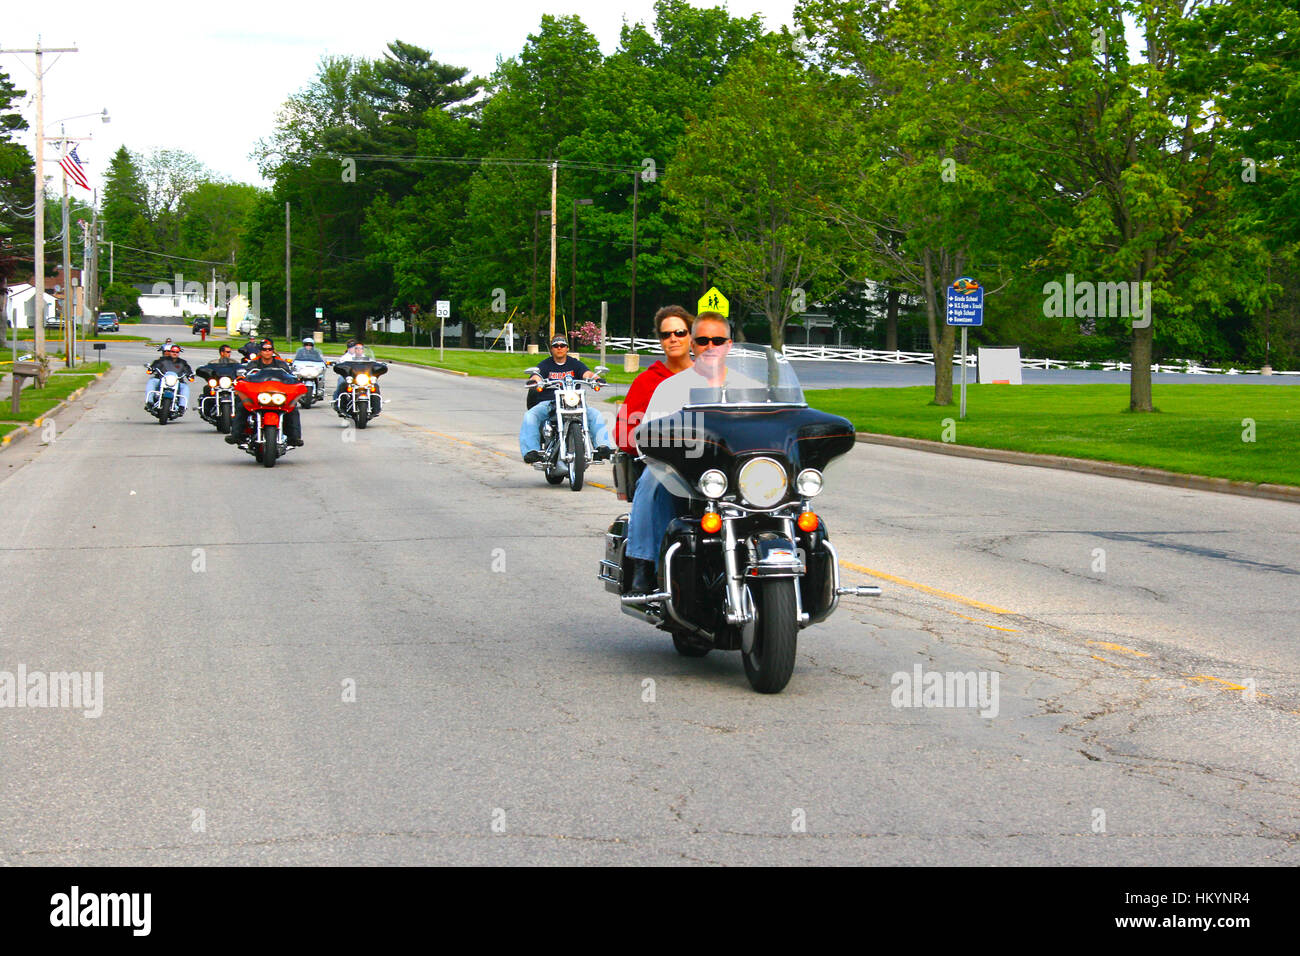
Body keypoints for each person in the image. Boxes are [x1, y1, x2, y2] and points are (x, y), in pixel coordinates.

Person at [620, 306, 695, 594]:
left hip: (708, 461)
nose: (673, 339)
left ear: (691, 335)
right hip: (665, 460)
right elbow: (625, 431)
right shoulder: (648, 380)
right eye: (666, 335)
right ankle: (642, 563)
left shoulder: (710, 377)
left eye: (680, 332)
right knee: (653, 479)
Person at [519, 335, 615, 462]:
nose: (559, 348)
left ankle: (602, 448)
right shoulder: (545, 364)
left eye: (562, 345)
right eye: (556, 346)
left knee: (595, 414)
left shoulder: (575, 364)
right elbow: (536, 376)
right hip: (550, 402)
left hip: (575, 402)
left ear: (567, 348)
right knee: (530, 415)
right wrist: (534, 381)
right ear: (552, 349)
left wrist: (596, 379)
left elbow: (587, 373)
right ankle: (531, 451)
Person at [225, 342, 304, 446]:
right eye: (264, 349)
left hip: (277, 395)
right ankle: (236, 434)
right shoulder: (253, 363)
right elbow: (245, 376)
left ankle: (294, 437)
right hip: (259, 396)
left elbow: (290, 376)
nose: (267, 352)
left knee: (293, 408)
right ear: (260, 351)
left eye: (269, 349)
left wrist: (296, 380)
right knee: (242, 406)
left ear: (273, 351)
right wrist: (241, 378)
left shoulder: (280, 363)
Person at [144, 344, 194, 412]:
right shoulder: (162, 360)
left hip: (177, 382)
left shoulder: (183, 362)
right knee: (152, 381)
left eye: (176, 352)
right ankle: (149, 402)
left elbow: (188, 370)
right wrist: (151, 369)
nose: (174, 353)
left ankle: (182, 406)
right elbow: (156, 365)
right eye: (173, 351)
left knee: (185, 387)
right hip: (162, 380)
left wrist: (190, 375)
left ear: (179, 353)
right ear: (170, 352)